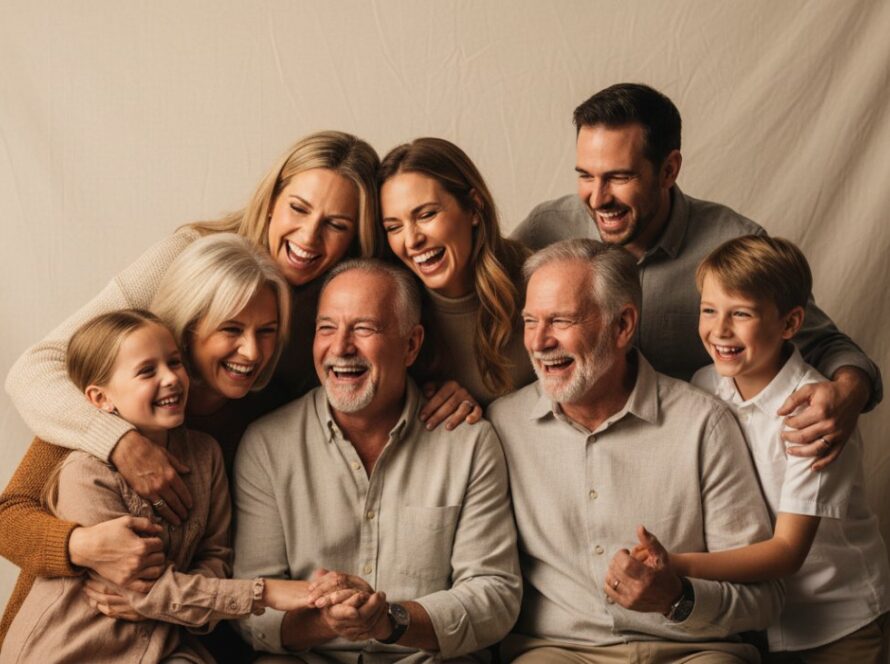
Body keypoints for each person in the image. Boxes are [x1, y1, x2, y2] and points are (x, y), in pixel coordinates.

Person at [4, 130, 382, 528]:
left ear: (357, 236)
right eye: (298, 208)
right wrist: (119, 442)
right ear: (271, 202)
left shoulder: (344, 315)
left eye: (336, 224)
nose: (308, 237)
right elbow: (35, 371)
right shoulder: (185, 260)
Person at [511, 82, 882, 469]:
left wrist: (847, 394)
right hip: (568, 459)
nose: (598, 198)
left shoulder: (733, 242)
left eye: (619, 177)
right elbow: (478, 316)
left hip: (693, 466)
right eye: (586, 176)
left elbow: (824, 344)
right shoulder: (545, 230)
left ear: (668, 169)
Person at [489, 239, 783, 663]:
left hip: (692, 652)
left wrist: (678, 598)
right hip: (557, 652)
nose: (537, 341)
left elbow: (766, 598)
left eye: (561, 320)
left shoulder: (704, 424)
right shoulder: (502, 425)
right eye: (530, 320)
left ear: (623, 325)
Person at [0, 234, 290, 656]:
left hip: (171, 640)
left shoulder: (247, 428)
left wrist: (155, 601)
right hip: (67, 641)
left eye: (267, 332)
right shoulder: (100, 411)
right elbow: (8, 517)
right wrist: (83, 544)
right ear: (190, 330)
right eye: (230, 329)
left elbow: (215, 556)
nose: (252, 351)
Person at [233, 259, 521, 661]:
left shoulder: (468, 443)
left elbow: (494, 593)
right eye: (327, 328)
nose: (341, 347)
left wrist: (390, 621)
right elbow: (249, 602)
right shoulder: (267, 445)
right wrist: (327, 622)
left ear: (411, 344)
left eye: (364, 328)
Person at [632, 235, 889, 662]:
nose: (720, 330)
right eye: (709, 310)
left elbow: (787, 553)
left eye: (742, 314)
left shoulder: (813, 412)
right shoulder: (704, 385)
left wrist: (676, 566)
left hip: (838, 622)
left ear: (789, 325)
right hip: (758, 624)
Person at [378, 137, 534, 408]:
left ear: (474, 207)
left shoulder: (536, 281)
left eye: (426, 215)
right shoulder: (391, 308)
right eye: (394, 227)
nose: (411, 240)